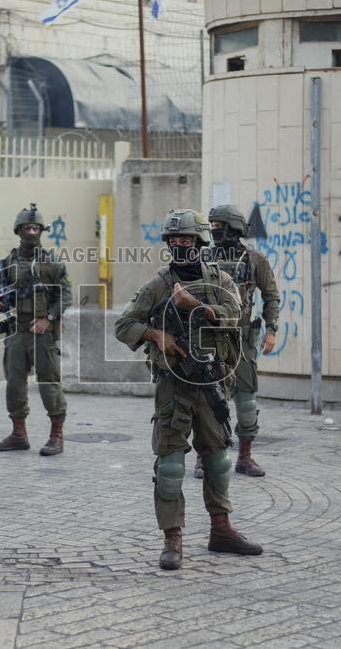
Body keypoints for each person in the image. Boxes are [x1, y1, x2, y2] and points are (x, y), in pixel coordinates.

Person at [114, 208, 263, 570]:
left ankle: (221, 530)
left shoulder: (220, 281)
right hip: (174, 386)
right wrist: (155, 334)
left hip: (212, 383)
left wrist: (194, 305)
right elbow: (124, 324)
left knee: (218, 462)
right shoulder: (159, 285)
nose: (180, 246)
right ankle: (173, 538)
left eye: (187, 240)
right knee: (170, 467)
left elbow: (234, 316)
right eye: (174, 240)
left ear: (200, 242)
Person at [202, 204, 280, 478]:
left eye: (218, 226)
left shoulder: (255, 260)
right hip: (210, 338)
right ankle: (204, 457)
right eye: (212, 226)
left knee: (246, 403)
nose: (214, 231)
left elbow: (271, 296)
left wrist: (271, 329)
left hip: (243, 341)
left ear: (233, 227)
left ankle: (244, 457)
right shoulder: (202, 258)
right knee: (209, 401)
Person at [0, 204, 72, 456]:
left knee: (49, 383)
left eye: (36, 227)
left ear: (42, 230)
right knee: (14, 384)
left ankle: (56, 436)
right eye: (28, 227)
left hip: (42, 332)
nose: (32, 232)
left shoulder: (52, 262)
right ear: (19, 230)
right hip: (16, 331)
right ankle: (19, 434)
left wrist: (49, 317)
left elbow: (66, 295)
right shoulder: (7, 263)